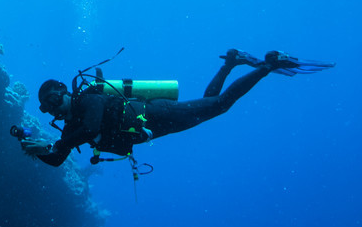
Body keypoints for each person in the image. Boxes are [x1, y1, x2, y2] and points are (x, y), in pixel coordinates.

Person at [20, 49, 335, 166]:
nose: (52, 109)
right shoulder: (71, 126)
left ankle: (268, 66)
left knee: (219, 106)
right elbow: (59, 158)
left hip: (156, 114)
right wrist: (38, 149)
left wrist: (57, 143)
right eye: (46, 107)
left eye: (53, 100)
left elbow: (89, 130)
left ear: (65, 92)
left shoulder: (87, 100)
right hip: (155, 127)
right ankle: (231, 63)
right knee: (208, 108)